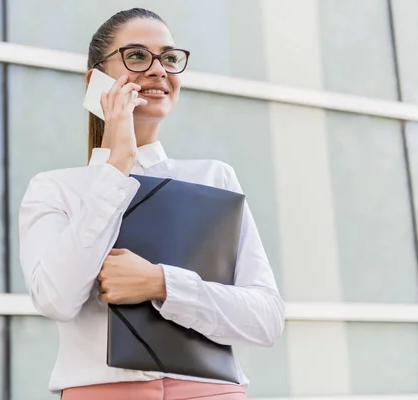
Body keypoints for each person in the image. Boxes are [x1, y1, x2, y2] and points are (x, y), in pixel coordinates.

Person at [18, 8, 285, 400]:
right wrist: (116, 167)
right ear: (96, 82)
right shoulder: (55, 189)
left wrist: (161, 283)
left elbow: (266, 319)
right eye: (137, 56)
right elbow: (56, 298)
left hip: (213, 392)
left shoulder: (214, 178)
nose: (159, 70)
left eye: (170, 58)